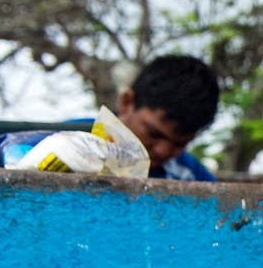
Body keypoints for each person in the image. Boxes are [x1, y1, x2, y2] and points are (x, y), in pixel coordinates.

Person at [81, 54, 220, 181]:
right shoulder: (68, 142)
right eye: (153, 133)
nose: (163, 151)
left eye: (179, 144)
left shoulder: (192, 177)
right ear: (127, 102)